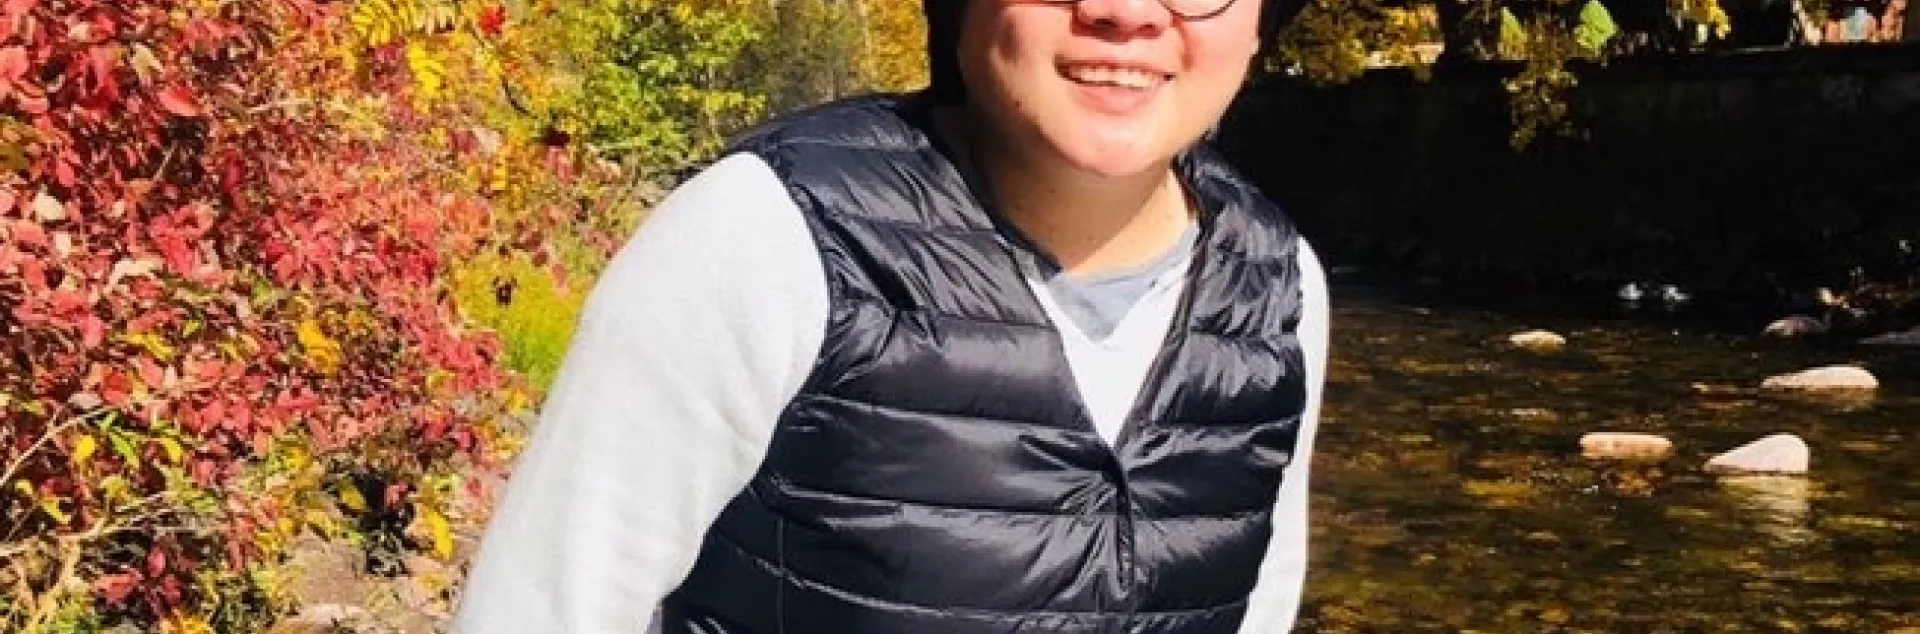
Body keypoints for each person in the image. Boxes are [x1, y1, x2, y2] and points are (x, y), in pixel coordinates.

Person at [449, 0, 1331, 632]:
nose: (1126, 13)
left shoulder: (1278, 284)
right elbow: (543, 608)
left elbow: (1261, 602)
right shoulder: (766, 234)